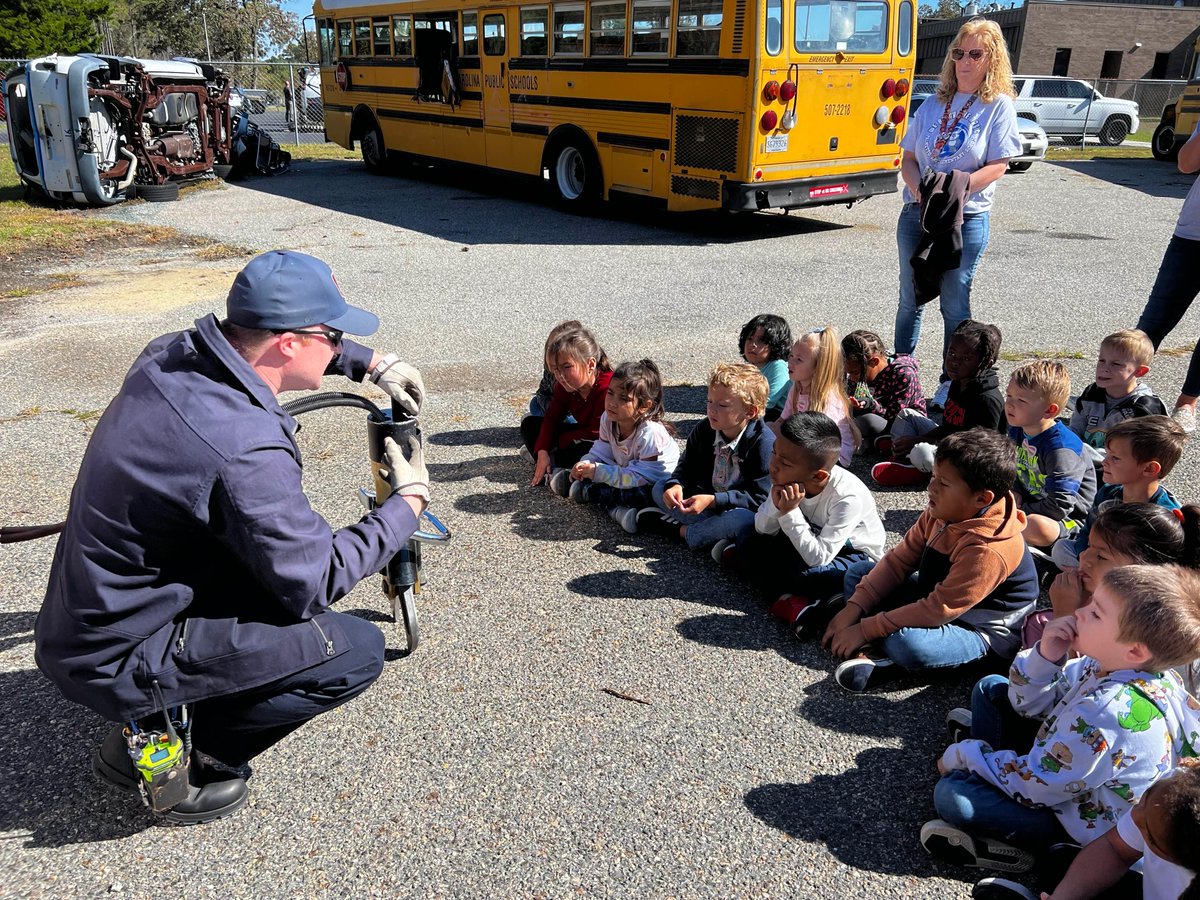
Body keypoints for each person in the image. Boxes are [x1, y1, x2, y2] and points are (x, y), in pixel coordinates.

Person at [35, 250, 430, 824]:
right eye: (333, 335)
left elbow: (260, 343)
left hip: (93, 616)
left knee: (264, 571)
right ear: (289, 344)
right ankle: (181, 756)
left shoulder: (170, 354)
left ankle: (162, 708)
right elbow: (315, 579)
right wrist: (407, 504)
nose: (338, 345)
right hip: (117, 652)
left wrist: (368, 362)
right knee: (353, 651)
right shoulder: (243, 446)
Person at [922, 564, 1200, 874]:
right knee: (991, 690)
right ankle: (990, 763)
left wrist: (967, 756)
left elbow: (1038, 787)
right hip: (1062, 771)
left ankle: (1025, 850)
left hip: (1078, 821)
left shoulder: (1107, 715)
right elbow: (1031, 708)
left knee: (953, 796)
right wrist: (1046, 656)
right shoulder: (1110, 664)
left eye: (1095, 613)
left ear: (1134, 651)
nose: (1080, 612)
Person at [823, 428, 1038, 693]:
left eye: (943, 483)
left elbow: (937, 610)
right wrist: (854, 607)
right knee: (860, 572)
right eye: (933, 476)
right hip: (936, 599)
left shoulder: (989, 549)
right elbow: (898, 562)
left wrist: (866, 629)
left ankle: (888, 658)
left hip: (978, 630)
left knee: (907, 644)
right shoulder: (944, 509)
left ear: (982, 498)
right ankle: (873, 644)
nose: (930, 488)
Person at [893, 18, 1022, 362]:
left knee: (954, 303)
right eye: (959, 53)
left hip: (965, 219)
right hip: (917, 214)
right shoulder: (933, 103)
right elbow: (908, 158)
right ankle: (901, 373)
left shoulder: (998, 106)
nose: (965, 61)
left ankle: (952, 381)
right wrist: (922, 191)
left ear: (992, 59)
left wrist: (952, 193)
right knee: (910, 298)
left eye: (975, 54)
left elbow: (998, 165)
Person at [739, 411, 885, 633]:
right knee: (746, 537)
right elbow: (762, 528)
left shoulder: (847, 497)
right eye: (774, 452)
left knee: (807, 574)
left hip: (851, 556)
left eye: (784, 462)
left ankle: (799, 600)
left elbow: (820, 557)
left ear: (818, 476)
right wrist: (776, 506)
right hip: (807, 542)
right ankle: (796, 600)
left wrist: (789, 512)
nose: (774, 465)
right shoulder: (787, 477)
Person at [638, 362, 773, 558]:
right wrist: (676, 484)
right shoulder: (704, 429)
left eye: (722, 405)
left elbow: (759, 498)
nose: (711, 409)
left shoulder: (763, 444)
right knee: (660, 487)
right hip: (706, 503)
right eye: (709, 401)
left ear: (750, 412)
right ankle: (717, 537)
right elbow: (687, 466)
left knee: (742, 521)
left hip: (736, 509)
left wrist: (714, 501)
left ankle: (680, 531)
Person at [872, 319, 1005, 487]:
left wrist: (920, 441)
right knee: (906, 415)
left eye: (966, 358)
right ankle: (904, 455)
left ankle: (918, 470)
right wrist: (921, 438)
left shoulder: (987, 400)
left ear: (986, 363)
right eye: (952, 354)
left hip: (969, 459)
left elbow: (978, 450)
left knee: (923, 452)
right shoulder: (958, 382)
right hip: (949, 443)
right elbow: (947, 428)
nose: (955, 362)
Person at [552, 359, 679, 533]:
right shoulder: (608, 418)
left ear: (643, 406)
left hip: (651, 484)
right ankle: (597, 496)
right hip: (626, 471)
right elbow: (602, 449)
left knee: (636, 494)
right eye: (610, 393)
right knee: (588, 465)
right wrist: (587, 462)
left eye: (624, 398)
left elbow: (640, 478)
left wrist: (599, 472)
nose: (612, 402)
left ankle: (613, 509)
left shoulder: (649, 433)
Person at [1050, 415, 1185, 571]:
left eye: (1115, 458)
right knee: (1062, 548)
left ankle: (1083, 579)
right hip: (1097, 559)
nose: (1104, 462)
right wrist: (1084, 555)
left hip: (1131, 575)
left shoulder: (1163, 516)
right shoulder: (1108, 493)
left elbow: (1159, 568)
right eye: (1107, 454)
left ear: (1149, 468)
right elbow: (1087, 532)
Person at [1135, 118, 1200, 434]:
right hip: (1192, 234)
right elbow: (1186, 164)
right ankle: (1113, 395)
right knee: (1153, 321)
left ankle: (1187, 403)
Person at [1005, 360, 1097, 552]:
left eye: (1021, 400)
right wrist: (1014, 490)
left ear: (1049, 410)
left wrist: (1019, 510)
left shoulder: (1061, 449)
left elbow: (1059, 505)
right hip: (1030, 502)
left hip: (1066, 520)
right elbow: (1012, 468)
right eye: (1009, 395)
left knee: (1036, 526)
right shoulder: (1018, 429)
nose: (1010, 404)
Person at [520, 320, 614, 488]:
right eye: (556, 370)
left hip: (607, 444)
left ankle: (561, 471)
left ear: (590, 364)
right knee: (530, 425)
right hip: (582, 436)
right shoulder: (566, 385)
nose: (560, 375)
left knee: (581, 450)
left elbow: (597, 433)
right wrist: (542, 450)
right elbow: (551, 418)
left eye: (566, 367)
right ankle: (551, 465)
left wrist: (563, 440)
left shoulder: (607, 388)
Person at [1067, 328, 1166, 464]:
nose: (1104, 368)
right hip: (1085, 460)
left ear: (1140, 371)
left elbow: (1131, 456)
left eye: (1116, 364)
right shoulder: (1092, 393)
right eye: (1101, 360)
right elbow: (1075, 428)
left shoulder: (1144, 407)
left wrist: (1076, 450)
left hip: (1120, 468)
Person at [776, 326, 856, 466]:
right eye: (791, 356)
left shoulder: (828, 400)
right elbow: (781, 421)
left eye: (799, 360)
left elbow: (823, 444)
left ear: (817, 368)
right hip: (806, 443)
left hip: (831, 458)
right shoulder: (796, 388)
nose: (790, 362)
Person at [842, 329, 926, 451]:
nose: (852, 378)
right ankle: (875, 442)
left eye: (855, 373)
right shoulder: (859, 375)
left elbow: (896, 415)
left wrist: (871, 404)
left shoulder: (903, 373)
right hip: (876, 420)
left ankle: (877, 442)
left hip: (901, 424)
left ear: (874, 361)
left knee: (867, 421)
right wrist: (851, 404)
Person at [738, 313, 792, 421]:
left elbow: (768, 402)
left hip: (779, 415)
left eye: (761, 341)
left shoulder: (778, 366)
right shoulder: (752, 366)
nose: (753, 344)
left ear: (775, 345)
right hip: (759, 409)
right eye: (749, 338)